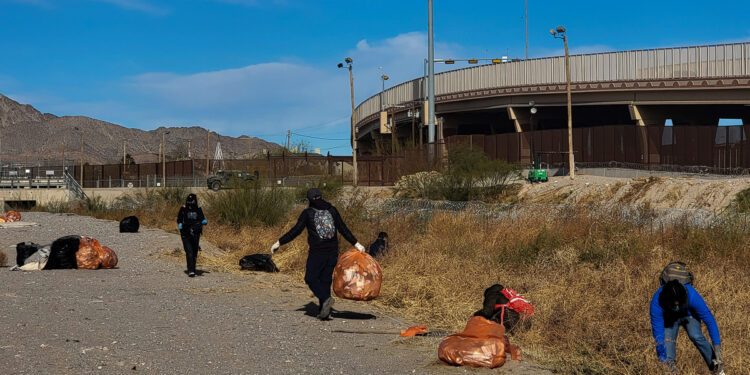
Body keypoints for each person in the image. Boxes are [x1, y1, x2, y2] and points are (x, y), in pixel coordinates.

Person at [270, 188, 365, 320]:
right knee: (325, 280)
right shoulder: (332, 210)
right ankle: (324, 312)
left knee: (310, 278)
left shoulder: (307, 213)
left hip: (317, 252)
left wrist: (279, 242)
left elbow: (296, 231)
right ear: (321, 196)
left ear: (308, 200)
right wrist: (357, 244)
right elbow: (343, 229)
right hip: (332, 252)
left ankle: (325, 299)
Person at [650, 280, 724, 375]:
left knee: (696, 336)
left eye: (679, 302)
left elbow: (710, 321)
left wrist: (717, 347)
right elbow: (659, 334)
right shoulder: (657, 302)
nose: (676, 305)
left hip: (689, 314)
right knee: (667, 343)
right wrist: (662, 358)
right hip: (669, 318)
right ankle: (671, 372)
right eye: (674, 303)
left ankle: (717, 369)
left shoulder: (692, 295)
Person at [177, 193, 207, 278]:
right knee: (189, 251)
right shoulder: (183, 208)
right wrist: (180, 224)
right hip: (186, 233)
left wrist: (204, 221)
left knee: (194, 252)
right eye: (189, 200)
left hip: (196, 233)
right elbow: (179, 218)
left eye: (192, 200)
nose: (190, 202)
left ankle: (193, 268)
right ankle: (191, 270)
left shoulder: (198, 209)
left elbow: (202, 218)